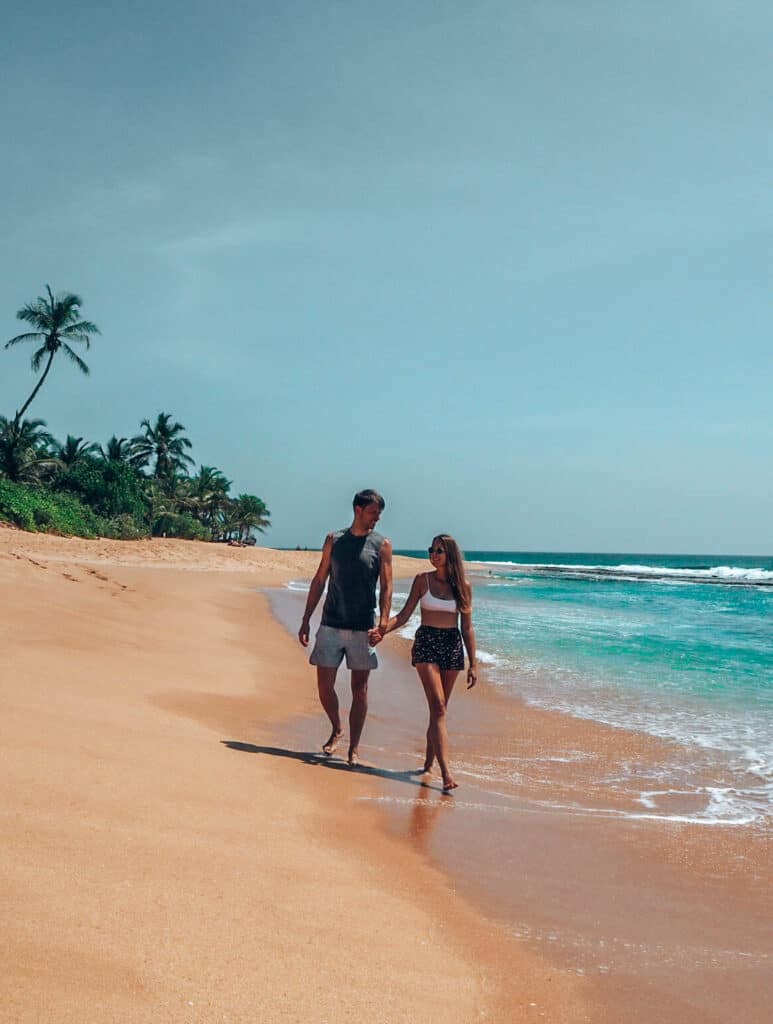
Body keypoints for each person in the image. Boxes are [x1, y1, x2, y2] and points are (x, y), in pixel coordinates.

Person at [372, 534, 476, 792]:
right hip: (427, 643)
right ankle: (446, 773)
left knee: (439, 710)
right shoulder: (422, 580)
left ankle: (429, 762)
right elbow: (405, 615)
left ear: (449, 553)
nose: (434, 554)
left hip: (452, 646)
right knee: (439, 707)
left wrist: (473, 663)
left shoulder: (464, 586)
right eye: (431, 550)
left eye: (439, 550)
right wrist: (382, 630)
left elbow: (468, 627)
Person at [298, 489, 393, 766]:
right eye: (373, 512)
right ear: (358, 509)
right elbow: (319, 581)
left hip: (363, 628)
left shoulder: (381, 545)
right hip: (330, 624)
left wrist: (383, 623)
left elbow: (387, 587)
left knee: (359, 689)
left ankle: (354, 746)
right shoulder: (334, 540)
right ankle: (337, 727)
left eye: (379, 514)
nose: (377, 518)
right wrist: (306, 618)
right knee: (324, 686)